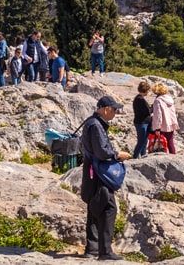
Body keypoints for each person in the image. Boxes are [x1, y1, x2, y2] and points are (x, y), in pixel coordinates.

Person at [80, 95, 131, 260]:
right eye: (115, 109)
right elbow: (101, 152)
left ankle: (92, 249)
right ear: (106, 109)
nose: (116, 112)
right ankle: (105, 251)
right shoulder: (95, 125)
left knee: (95, 207)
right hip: (98, 173)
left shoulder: (92, 122)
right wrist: (117, 154)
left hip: (91, 171)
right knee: (109, 209)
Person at [150, 82, 179, 155]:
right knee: (170, 142)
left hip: (162, 125)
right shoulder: (169, 98)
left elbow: (158, 116)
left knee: (160, 143)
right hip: (171, 124)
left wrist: (157, 128)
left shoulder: (158, 101)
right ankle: (174, 157)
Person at [132, 81, 153, 158]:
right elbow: (147, 111)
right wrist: (153, 107)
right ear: (146, 90)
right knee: (141, 141)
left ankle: (143, 155)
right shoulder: (141, 99)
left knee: (144, 141)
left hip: (141, 122)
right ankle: (135, 156)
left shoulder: (137, 98)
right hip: (142, 122)